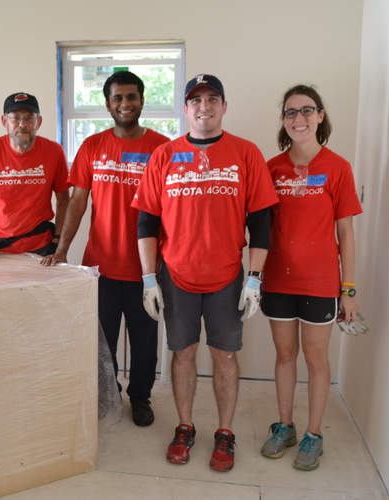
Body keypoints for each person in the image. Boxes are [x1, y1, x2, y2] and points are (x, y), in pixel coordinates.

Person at [132, 74, 278, 471]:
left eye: (212, 98)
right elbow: (146, 222)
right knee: (183, 354)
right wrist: (149, 279)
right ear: (185, 109)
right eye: (195, 100)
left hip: (228, 277)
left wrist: (254, 278)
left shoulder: (246, 154)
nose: (204, 106)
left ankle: (225, 432)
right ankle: (185, 426)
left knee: (225, 357)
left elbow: (261, 224)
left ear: (224, 107)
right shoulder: (164, 155)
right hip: (176, 275)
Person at [41, 71, 170, 426]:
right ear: (108, 104)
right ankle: (108, 393)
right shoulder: (93, 147)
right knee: (102, 342)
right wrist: (62, 248)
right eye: (117, 98)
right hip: (100, 266)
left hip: (146, 268)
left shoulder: (163, 148)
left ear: (142, 100)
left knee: (145, 342)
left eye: (131, 97)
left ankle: (140, 397)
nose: (125, 104)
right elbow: (77, 203)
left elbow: (173, 209)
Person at [258, 84, 363, 471]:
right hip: (277, 280)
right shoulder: (271, 168)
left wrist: (348, 288)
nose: (298, 118)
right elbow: (258, 225)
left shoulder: (338, 167)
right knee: (285, 355)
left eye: (306, 111)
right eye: (290, 112)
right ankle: (285, 425)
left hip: (321, 283)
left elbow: (346, 233)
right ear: (284, 121)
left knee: (316, 360)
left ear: (320, 116)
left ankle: (314, 434)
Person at [0, 93, 69, 260]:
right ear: (5, 121)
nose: (22, 124)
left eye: (29, 118)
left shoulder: (54, 151)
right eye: (16, 118)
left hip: (42, 250)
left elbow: (64, 200)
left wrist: (57, 242)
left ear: (38, 122)